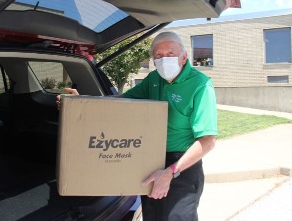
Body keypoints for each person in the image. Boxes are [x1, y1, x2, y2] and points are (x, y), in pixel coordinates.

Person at [56, 31, 218, 220]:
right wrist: (81, 101)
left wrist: (169, 173)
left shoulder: (201, 85)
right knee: (152, 215)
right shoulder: (154, 79)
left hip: (181, 166)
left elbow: (208, 141)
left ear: (184, 57)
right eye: (158, 55)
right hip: (150, 160)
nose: (164, 60)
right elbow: (123, 100)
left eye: (170, 54)